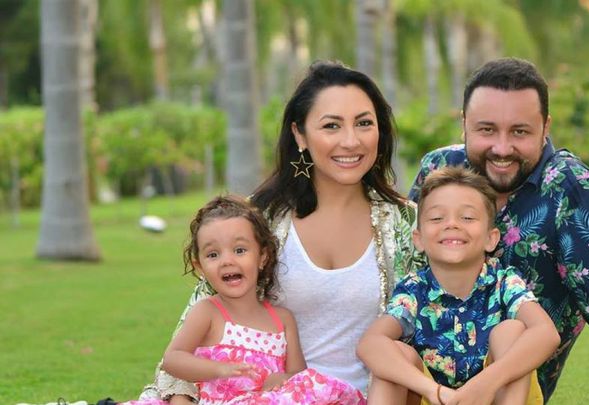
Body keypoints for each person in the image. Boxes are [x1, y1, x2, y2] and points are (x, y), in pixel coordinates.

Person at [140, 61, 423, 403]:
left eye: (364, 123)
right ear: (299, 135)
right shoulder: (257, 218)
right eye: (331, 126)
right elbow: (192, 332)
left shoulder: (408, 223)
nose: (351, 141)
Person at [408, 58, 589, 404]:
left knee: (510, 333)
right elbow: (405, 271)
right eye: (486, 130)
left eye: (520, 132)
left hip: (509, 388)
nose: (502, 148)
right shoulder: (439, 169)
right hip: (422, 384)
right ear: (464, 124)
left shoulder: (575, 193)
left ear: (545, 127)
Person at [123, 195, 365, 405]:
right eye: (213, 254)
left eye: (239, 250)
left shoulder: (282, 319)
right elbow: (173, 359)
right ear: (200, 267)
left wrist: (280, 379)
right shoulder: (208, 311)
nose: (227, 261)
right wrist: (218, 369)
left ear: (262, 257)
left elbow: (299, 376)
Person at [358, 167, 559, 405]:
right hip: (434, 398)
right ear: (419, 239)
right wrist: (435, 391)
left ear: (491, 238)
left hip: (493, 396)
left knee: (511, 331)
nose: (452, 224)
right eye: (437, 218)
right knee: (396, 353)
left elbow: (546, 333)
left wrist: (485, 384)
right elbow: (370, 344)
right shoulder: (413, 289)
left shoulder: (504, 282)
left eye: (467, 217)